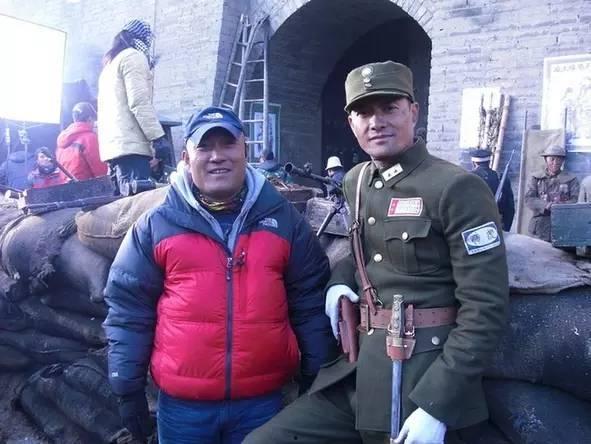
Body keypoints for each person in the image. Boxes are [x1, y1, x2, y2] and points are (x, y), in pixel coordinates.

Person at [245, 61, 509, 444]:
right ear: (351, 122)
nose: (376, 122)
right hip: (360, 369)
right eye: (364, 112)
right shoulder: (357, 181)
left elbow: (486, 307)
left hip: (422, 376)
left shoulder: (456, 187)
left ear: (413, 113)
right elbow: (366, 252)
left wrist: (438, 405)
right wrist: (339, 282)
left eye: (389, 108)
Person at [103, 106, 336, 443]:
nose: (217, 157)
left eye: (228, 144)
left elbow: (310, 301)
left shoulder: (284, 221)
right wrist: (126, 387)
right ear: (186, 158)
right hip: (183, 410)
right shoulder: (156, 226)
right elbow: (128, 310)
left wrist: (316, 373)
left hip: (262, 406)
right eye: (204, 147)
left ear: (245, 151)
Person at [97, 19, 172, 196]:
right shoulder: (133, 57)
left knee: (122, 204)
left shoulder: (110, 65)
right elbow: (138, 101)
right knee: (137, 204)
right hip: (132, 148)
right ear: (140, 38)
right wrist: (158, 137)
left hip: (115, 149)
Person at [525, 145, 579, 242]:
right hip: (540, 226)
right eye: (552, 159)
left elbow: (576, 200)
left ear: (563, 161)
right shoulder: (536, 178)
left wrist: (560, 206)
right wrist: (546, 205)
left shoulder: (571, 179)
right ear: (546, 160)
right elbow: (529, 199)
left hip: (564, 224)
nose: (555, 162)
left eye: (559, 159)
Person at [56, 102, 107, 182]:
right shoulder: (89, 138)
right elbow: (100, 170)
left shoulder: (62, 140)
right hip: (88, 186)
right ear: (90, 119)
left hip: (66, 186)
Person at [469, 149, 515, 231]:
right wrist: (506, 228)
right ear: (489, 162)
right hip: (496, 225)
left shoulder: (467, 178)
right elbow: (510, 208)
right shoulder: (501, 177)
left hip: (473, 226)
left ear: (473, 163)